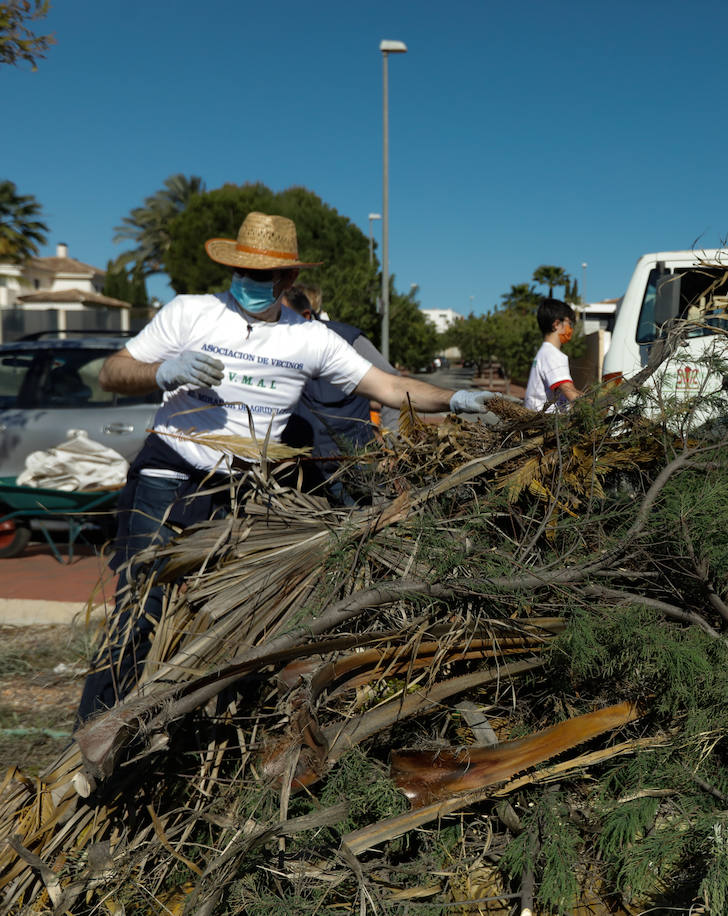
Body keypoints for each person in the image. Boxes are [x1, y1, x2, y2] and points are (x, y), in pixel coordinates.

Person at [77, 212, 494, 723]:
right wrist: (163, 371)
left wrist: (460, 398)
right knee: (140, 609)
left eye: (262, 276)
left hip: (243, 490)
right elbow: (111, 372)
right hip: (169, 474)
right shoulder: (191, 313)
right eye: (242, 272)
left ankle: (186, 729)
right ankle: (95, 732)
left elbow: (388, 387)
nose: (249, 284)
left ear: (288, 280)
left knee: (222, 617)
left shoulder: (309, 340)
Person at [280, 284, 400, 504]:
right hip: (296, 482)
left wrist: (395, 450)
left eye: (281, 318)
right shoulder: (270, 348)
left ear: (306, 316)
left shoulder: (348, 340)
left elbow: (394, 390)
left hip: (353, 477)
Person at [524, 298, 582, 412]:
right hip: (546, 423)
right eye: (569, 323)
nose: (570, 329)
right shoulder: (552, 355)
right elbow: (569, 391)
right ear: (556, 324)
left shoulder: (544, 352)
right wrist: (595, 405)